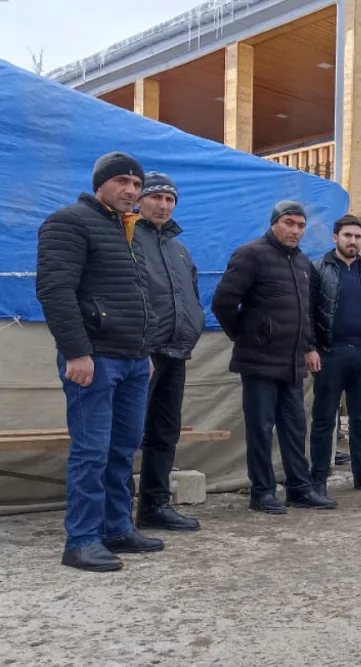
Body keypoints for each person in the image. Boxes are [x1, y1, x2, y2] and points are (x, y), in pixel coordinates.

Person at [36, 152, 162, 572]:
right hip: (94, 359)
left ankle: (115, 527)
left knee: (122, 450)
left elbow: (137, 298)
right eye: (123, 181)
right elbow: (55, 291)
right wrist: (76, 351)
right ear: (100, 183)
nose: (131, 190)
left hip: (130, 360)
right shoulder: (69, 222)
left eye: (137, 184)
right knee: (91, 452)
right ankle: (82, 540)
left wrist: (143, 353)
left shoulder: (129, 229)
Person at [212, 201, 338, 514]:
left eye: (300, 225)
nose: (295, 230)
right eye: (289, 223)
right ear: (274, 223)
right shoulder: (250, 254)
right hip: (259, 361)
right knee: (260, 428)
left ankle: (298, 488)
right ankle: (262, 492)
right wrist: (246, 335)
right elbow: (223, 303)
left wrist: (309, 346)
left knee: (295, 428)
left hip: (292, 362)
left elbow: (305, 311)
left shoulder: (302, 263)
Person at [131, 172, 204, 531]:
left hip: (176, 351)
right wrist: (137, 345)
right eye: (155, 197)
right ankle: (111, 516)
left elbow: (189, 292)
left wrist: (194, 325)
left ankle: (154, 507)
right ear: (138, 200)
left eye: (169, 199)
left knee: (165, 431)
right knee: (126, 433)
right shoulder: (126, 237)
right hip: (140, 352)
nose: (163, 205)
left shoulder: (179, 248)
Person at [309, 215, 361, 493]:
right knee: (324, 419)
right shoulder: (319, 269)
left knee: (360, 419)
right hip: (329, 353)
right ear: (335, 238)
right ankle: (318, 479)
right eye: (347, 236)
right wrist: (310, 348)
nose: (352, 241)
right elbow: (308, 312)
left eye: (357, 236)